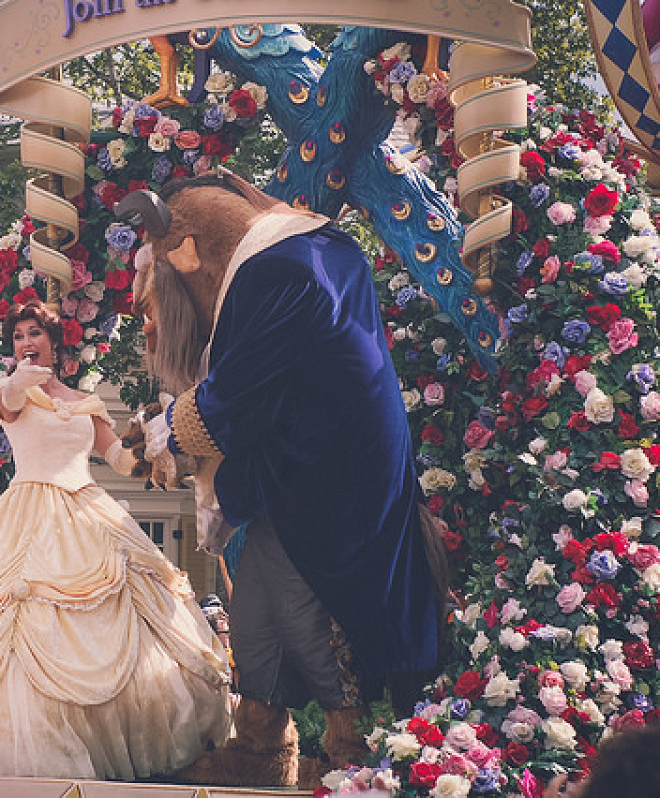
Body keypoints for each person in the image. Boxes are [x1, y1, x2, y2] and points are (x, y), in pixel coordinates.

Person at [117, 174, 441, 786]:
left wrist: (161, 436)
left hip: (326, 486)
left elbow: (234, 401)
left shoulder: (276, 272)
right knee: (259, 611)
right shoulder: (321, 251)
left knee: (302, 611)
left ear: (186, 255)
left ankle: (353, 749)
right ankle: (262, 743)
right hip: (295, 474)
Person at [0, 299, 231, 780]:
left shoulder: (86, 402)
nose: (26, 343)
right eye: (18, 336)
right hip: (27, 513)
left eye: (34, 333)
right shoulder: (9, 392)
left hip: (87, 511)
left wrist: (148, 445)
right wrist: (17, 379)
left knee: (124, 619)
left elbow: (116, 458)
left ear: (54, 341)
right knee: (13, 626)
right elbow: (9, 407)